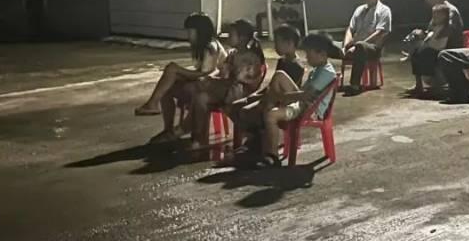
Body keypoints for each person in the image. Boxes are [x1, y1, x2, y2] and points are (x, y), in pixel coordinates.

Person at [237, 33, 338, 167]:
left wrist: (281, 97)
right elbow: (302, 94)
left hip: (308, 110)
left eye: (309, 53)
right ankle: (266, 107)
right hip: (303, 104)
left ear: (322, 53)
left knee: (271, 115)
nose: (306, 57)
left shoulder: (325, 73)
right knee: (279, 75)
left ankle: (272, 156)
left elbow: (305, 96)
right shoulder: (320, 69)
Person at [137, 13, 227, 144]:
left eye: (190, 31)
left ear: (200, 31)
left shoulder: (210, 47)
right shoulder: (202, 46)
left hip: (212, 88)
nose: (188, 35)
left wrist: (179, 71)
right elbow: (200, 72)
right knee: (167, 87)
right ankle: (167, 127)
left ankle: (153, 105)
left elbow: (205, 74)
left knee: (172, 69)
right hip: (203, 83)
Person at [187, 19, 266, 150]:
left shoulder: (251, 58)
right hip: (228, 89)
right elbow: (224, 74)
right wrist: (216, 76)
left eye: (231, 34)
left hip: (240, 93)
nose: (228, 37)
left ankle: (186, 128)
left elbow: (240, 81)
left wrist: (216, 80)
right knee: (200, 97)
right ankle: (199, 137)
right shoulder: (233, 54)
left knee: (201, 86)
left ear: (242, 38)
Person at [408, 0, 464, 95]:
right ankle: (419, 84)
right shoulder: (437, 10)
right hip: (437, 41)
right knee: (416, 50)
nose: (427, 3)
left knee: (425, 52)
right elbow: (432, 29)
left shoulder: (450, 10)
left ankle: (436, 82)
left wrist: (429, 38)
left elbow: (447, 31)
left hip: (449, 43)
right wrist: (422, 34)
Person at [341, 0, 392, 96]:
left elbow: (379, 33)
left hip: (373, 48)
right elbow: (350, 28)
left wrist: (356, 46)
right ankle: (325, 81)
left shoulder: (384, 10)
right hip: (355, 44)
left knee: (360, 46)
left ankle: (354, 85)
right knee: (328, 44)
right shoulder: (359, 9)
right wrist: (345, 45)